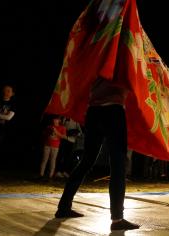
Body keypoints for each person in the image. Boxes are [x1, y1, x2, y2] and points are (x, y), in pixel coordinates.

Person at [55, 77, 139, 231]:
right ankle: (117, 219)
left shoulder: (97, 56)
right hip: (113, 110)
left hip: (93, 111)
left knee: (87, 161)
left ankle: (63, 207)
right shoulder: (121, 56)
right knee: (118, 162)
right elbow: (131, 82)